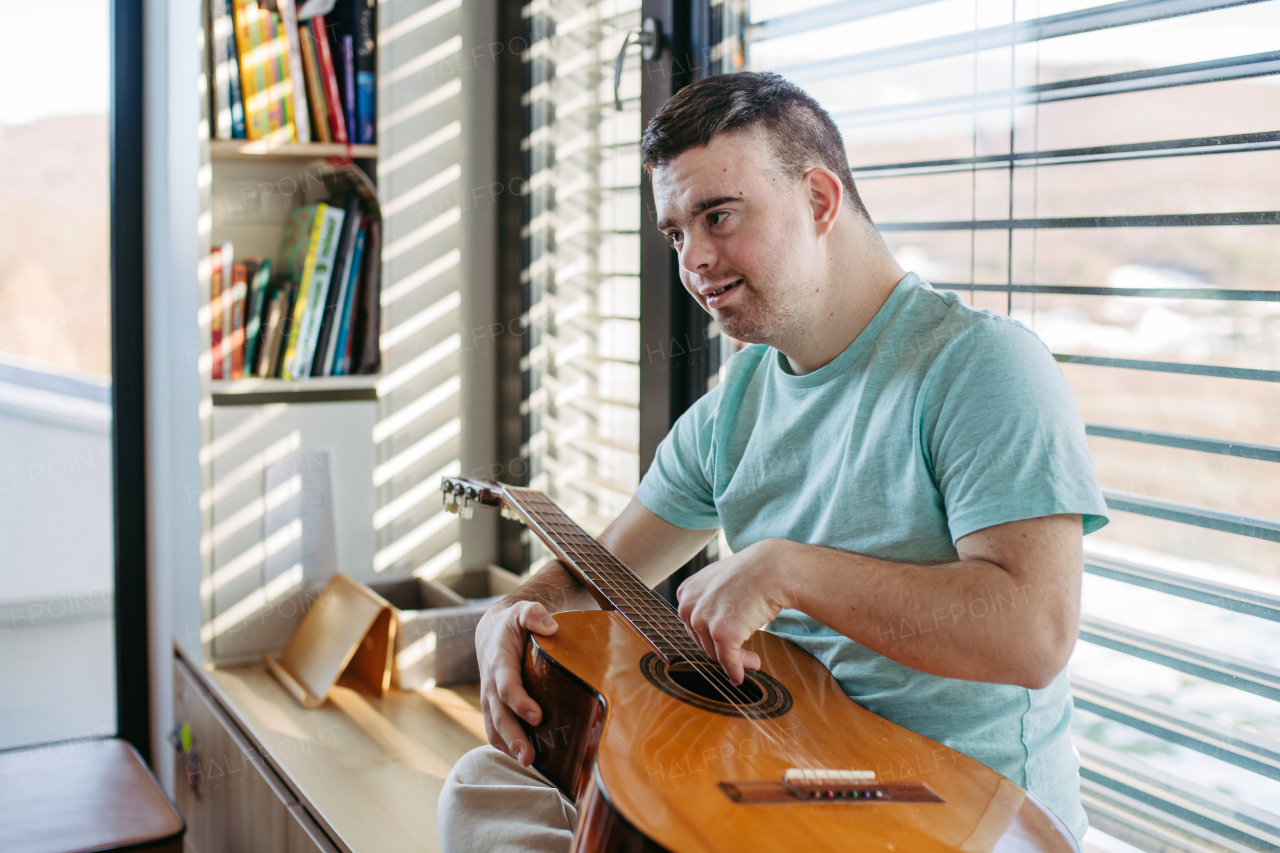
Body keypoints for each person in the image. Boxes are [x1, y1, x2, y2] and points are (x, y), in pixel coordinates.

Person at [438, 71, 1108, 853]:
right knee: (483, 786)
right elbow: (596, 573)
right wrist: (508, 615)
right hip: (783, 776)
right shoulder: (739, 403)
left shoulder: (981, 366)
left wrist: (791, 570)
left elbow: (1033, 634)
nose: (694, 260)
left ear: (820, 200)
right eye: (676, 232)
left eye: (718, 216)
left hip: (953, 810)